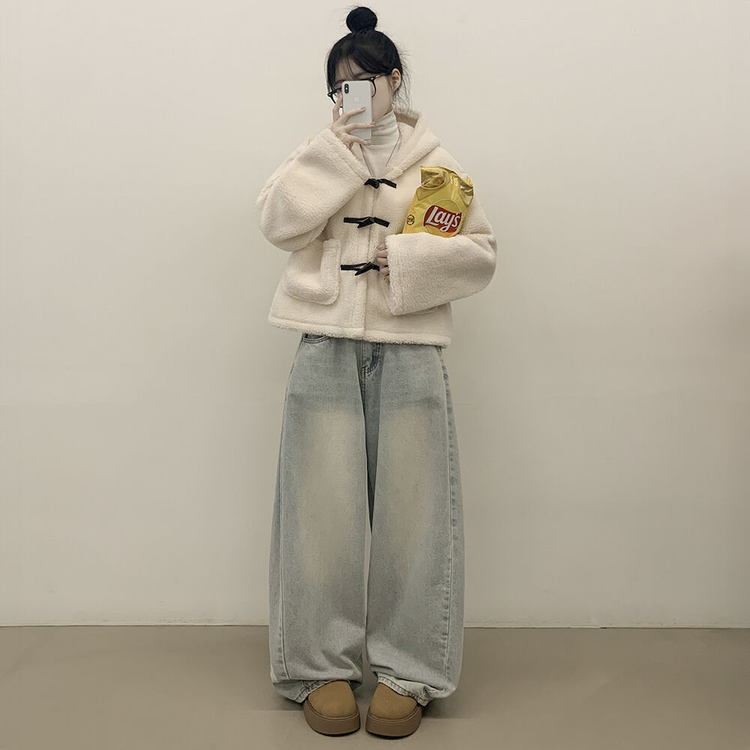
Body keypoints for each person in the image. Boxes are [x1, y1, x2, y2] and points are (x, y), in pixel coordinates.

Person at [255, 5, 497, 739]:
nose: (350, 95)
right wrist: (336, 153)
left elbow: (481, 255)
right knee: (317, 514)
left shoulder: (438, 164)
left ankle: (408, 670)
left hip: (411, 348)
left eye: (363, 81)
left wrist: (406, 258)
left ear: (394, 80)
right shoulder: (319, 152)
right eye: (339, 86)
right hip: (325, 341)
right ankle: (318, 666)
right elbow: (277, 224)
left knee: (415, 517)